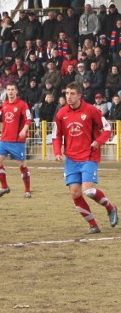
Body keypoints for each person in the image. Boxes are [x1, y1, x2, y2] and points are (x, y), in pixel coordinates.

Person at [52, 82, 118, 234]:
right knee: (75, 193)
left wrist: (99, 141)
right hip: (70, 158)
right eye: (67, 93)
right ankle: (93, 226)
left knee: (88, 190)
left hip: (89, 156)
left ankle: (110, 207)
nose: (69, 96)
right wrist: (57, 152)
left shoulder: (91, 110)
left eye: (72, 94)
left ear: (79, 96)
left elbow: (107, 128)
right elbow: (56, 135)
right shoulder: (61, 113)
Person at [0, 83, 33, 199]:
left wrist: (24, 130)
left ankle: (27, 190)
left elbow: (28, 119)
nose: (10, 92)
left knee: (22, 166)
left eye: (12, 90)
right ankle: (4, 187)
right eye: (8, 90)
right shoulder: (4, 104)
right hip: (4, 140)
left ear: (16, 91)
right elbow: (2, 119)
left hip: (17, 141)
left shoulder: (22, 105)